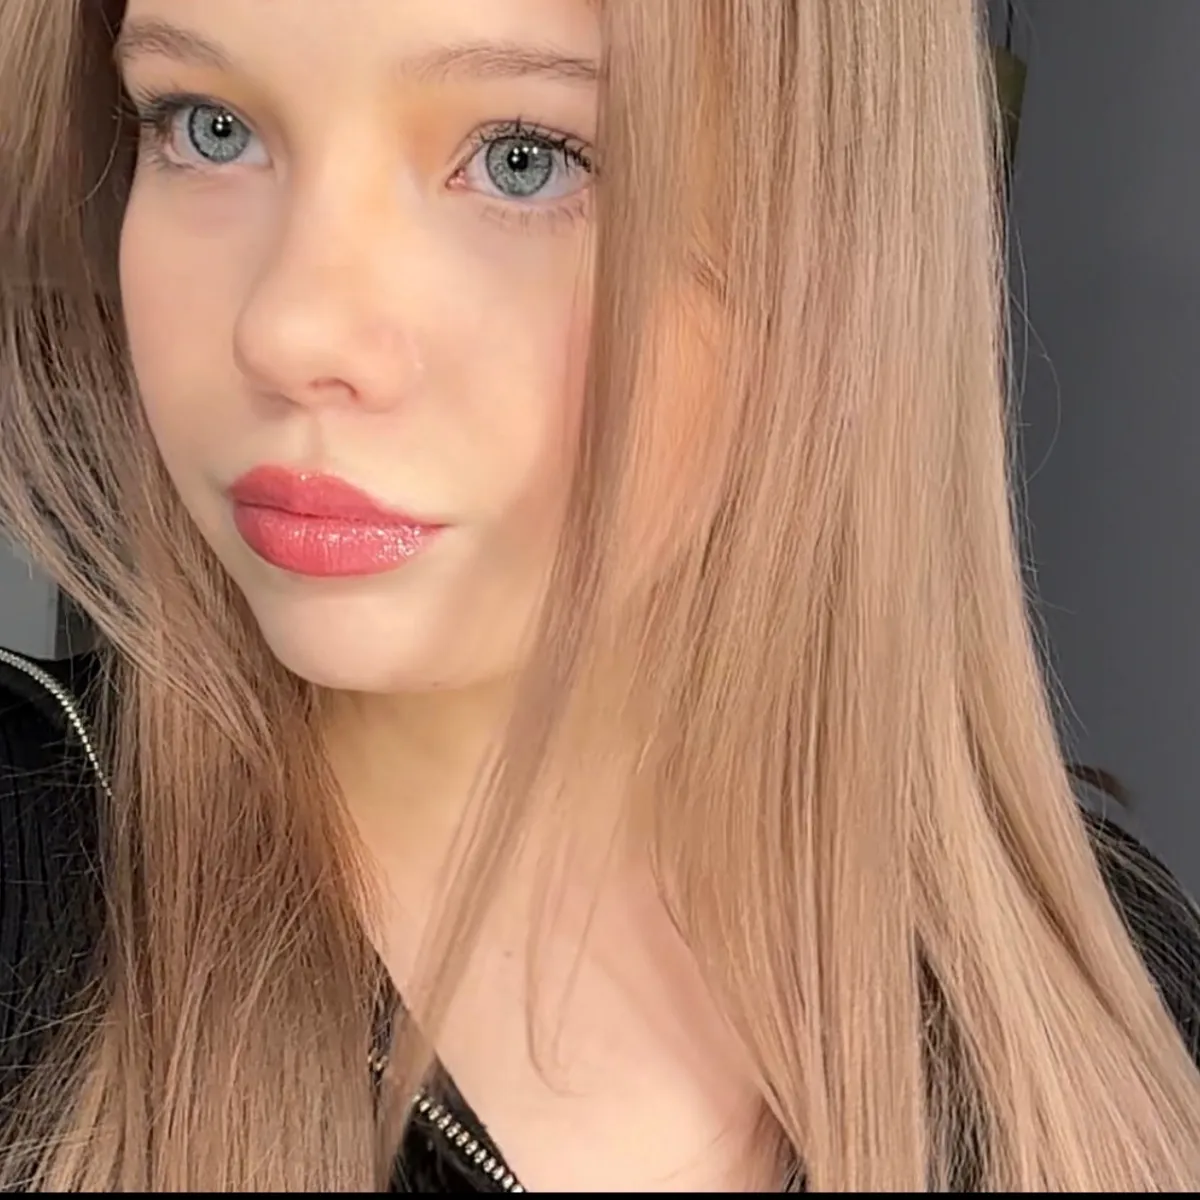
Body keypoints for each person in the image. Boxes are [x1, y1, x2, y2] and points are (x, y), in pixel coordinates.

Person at [0, 0, 1197, 1191]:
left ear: (836, 234)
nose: (287, 330)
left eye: (524, 159)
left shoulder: (1120, 1016)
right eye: (205, 126)